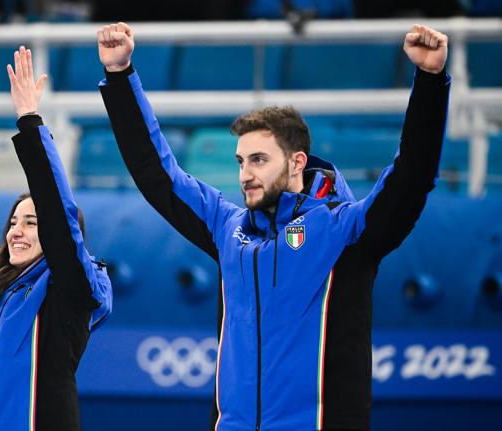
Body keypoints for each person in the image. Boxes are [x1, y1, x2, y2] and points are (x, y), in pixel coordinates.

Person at [97, 22, 449, 430]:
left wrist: (429, 81)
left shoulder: (344, 231)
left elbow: (412, 178)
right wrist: (120, 76)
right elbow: (157, 174)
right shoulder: (227, 228)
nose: (245, 173)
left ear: (297, 162)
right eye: (241, 161)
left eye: (259, 160)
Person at [0, 48, 112, 431]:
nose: (16, 231)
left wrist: (30, 121)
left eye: (31, 223)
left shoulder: (73, 288)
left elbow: (59, 216)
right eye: (14, 222)